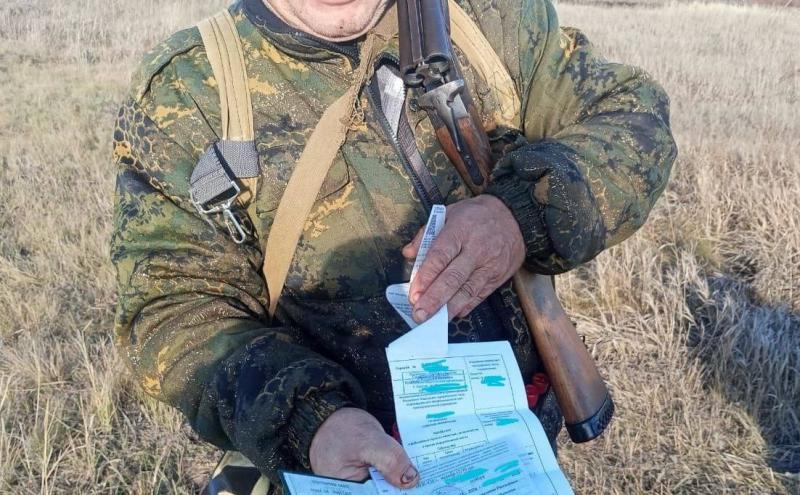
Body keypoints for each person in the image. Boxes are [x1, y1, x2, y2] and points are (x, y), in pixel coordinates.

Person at [110, 0, 677, 492]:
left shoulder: (489, 19)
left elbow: (632, 118)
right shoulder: (187, 92)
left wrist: (518, 215)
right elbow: (174, 311)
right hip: (343, 472)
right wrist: (311, 421)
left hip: (512, 450)